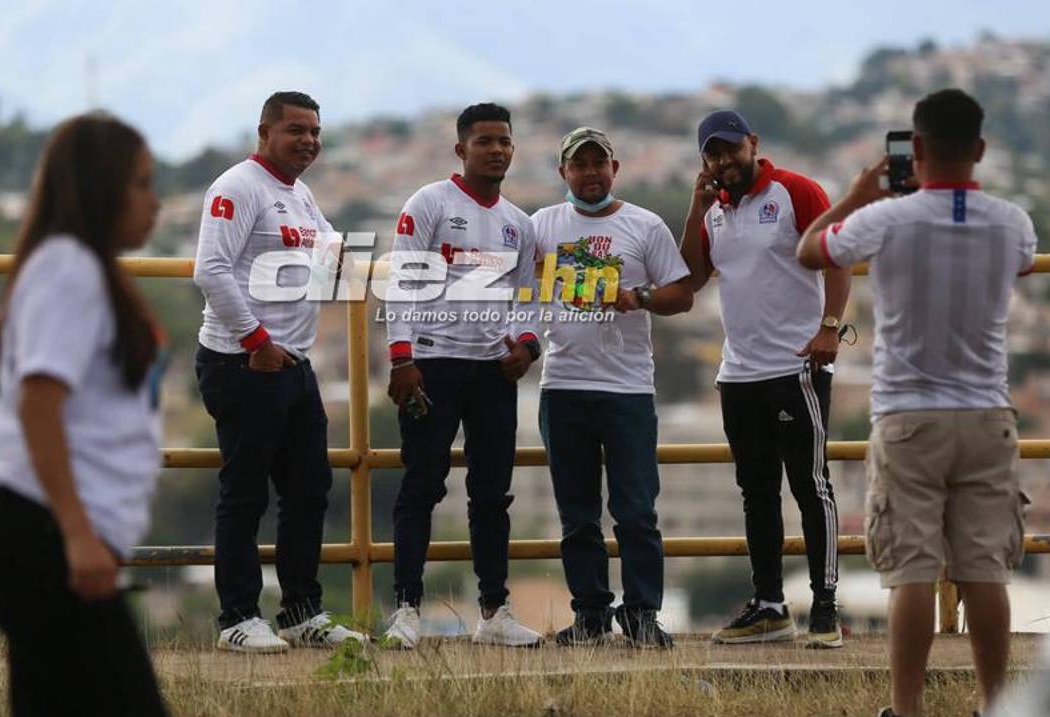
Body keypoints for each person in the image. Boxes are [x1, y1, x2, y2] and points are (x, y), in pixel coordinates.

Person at [796, 88, 1037, 717]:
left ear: (917, 149)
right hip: (987, 413)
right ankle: (995, 715)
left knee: (912, 573)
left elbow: (811, 252)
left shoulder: (888, 220)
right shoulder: (1012, 221)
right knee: (984, 569)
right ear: (980, 149)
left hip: (908, 416)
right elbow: (1025, 262)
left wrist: (854, 198)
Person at [0, 113, 172, 717]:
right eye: (142, 183)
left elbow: (1, 347)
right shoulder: (71, 269)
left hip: (40, 534)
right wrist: (80, 535)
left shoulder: (69, 266)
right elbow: (37, 403)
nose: (155, 200)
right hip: (43, 538)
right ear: (103, 186)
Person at [193, 91, 364, 653]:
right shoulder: (237, 187)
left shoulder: (300, 193)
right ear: (264, 131)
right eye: (295, 130)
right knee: (245, 495)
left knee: (309, 490)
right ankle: (238, 618)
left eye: (315, 130)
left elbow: (328, 250)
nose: (308, 140)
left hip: (294, 364)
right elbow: (210, 270)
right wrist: (256, 341)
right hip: (242, 361)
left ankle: (301, 612)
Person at [679, 110, 849, 648]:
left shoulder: (795, 191)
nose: (724, 161)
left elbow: (839, 260)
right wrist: (695, 208)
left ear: (753, 143)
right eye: (713, 154)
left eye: (731, 149)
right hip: (739, 373)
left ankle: (825, 607)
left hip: (795, 367)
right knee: (756, 492)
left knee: (809, 484)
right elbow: (691, 277)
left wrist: (829, 328)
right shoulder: (714, 211)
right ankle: (770, 606)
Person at [380, 102, 543, 649]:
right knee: (421, 486)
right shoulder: (429, 203)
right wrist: (402, 358)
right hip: (432, 365)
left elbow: (527, 299)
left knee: (492, 495)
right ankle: (405, 610)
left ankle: (494, 614)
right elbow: (402, 281)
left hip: (492, 373)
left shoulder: (519, 224)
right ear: (462, 149)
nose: (497, 150)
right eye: (485, 141)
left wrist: (527, 347)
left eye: (504, 142)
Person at [531, 127, 693, 649]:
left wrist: (639, 296)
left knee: (637, 510)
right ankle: (591, 616)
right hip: (563, 384)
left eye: (600, 163)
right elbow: (518, 284)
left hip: (628, 389)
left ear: (615, 169)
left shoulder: (644, 225)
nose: (591, 173)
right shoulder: (542, 225)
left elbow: (681, 295)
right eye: (580, 165)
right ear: (564, 174)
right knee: (577, 516)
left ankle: (643, 614)